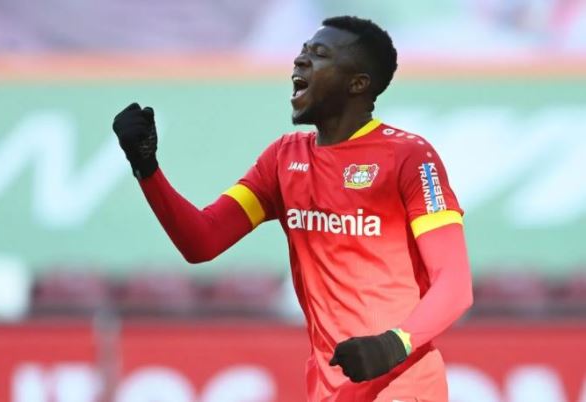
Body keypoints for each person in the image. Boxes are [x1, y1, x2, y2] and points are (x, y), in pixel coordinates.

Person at [113, 15, 473, 402]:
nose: (300, 61)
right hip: (329, 391)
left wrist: (392, 345)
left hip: (402, 388)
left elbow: (455, 287)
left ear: (357, 83)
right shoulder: (284, 159)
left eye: (319, 54)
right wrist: (147, 169)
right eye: (302, 51)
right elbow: (202, 241)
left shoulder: (409, 157)